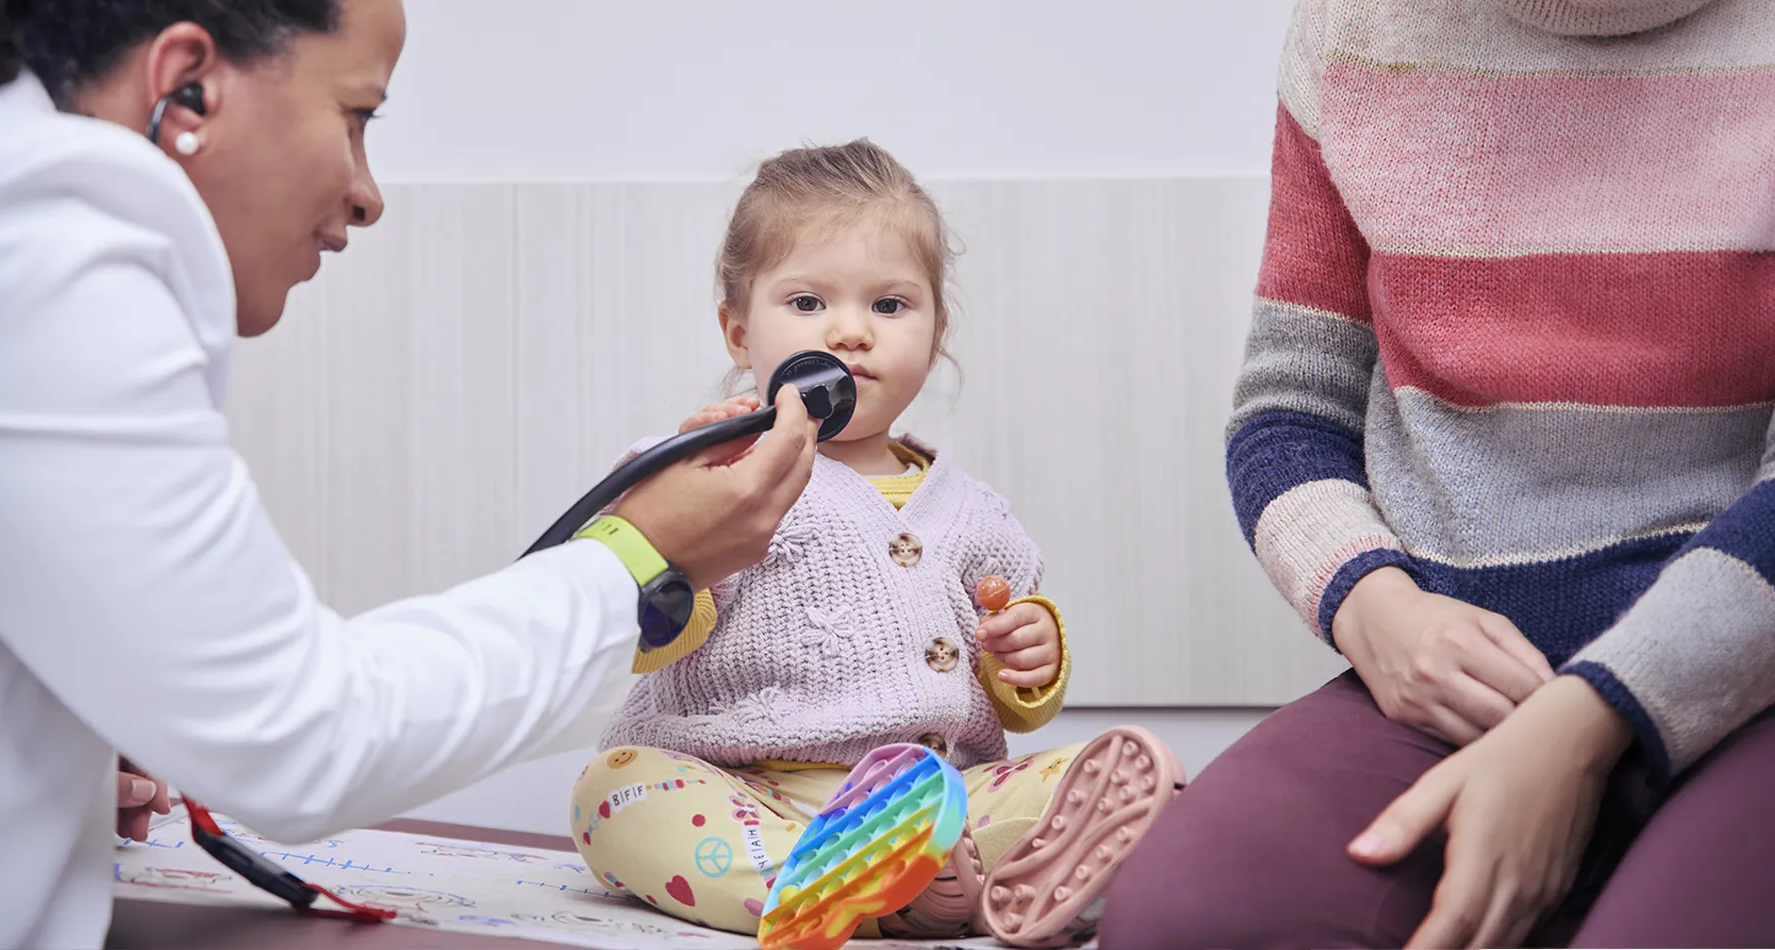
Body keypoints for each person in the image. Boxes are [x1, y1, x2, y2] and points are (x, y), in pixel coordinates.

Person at [0, 2, 819, 947]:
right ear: (186, 83)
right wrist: (638, 560)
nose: (369, 194)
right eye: (357, 115)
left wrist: (63, 730)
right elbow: (301, 737)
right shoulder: (28, 230)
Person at [1100, 0, 1775, 947]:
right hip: (1454, 678)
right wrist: (1378, 613)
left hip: (1750, 685)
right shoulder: (1354, 28)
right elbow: (1289, 414)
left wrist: (1583, 731)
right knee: (1187, 919)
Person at [567, 140, 1185, 949]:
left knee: (1122, 774)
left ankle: (921, 873)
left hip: (937, 800)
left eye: (890, 306)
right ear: (736, 330)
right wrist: (673, 534)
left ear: (935, 334)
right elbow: (634, 636)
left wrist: (1027, 658)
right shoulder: (705, 473)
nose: (852, 332)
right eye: (807, 302)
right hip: (744, 788)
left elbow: (1008, 693)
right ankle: (848, 880)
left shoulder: (977, 514)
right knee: (611, 795)